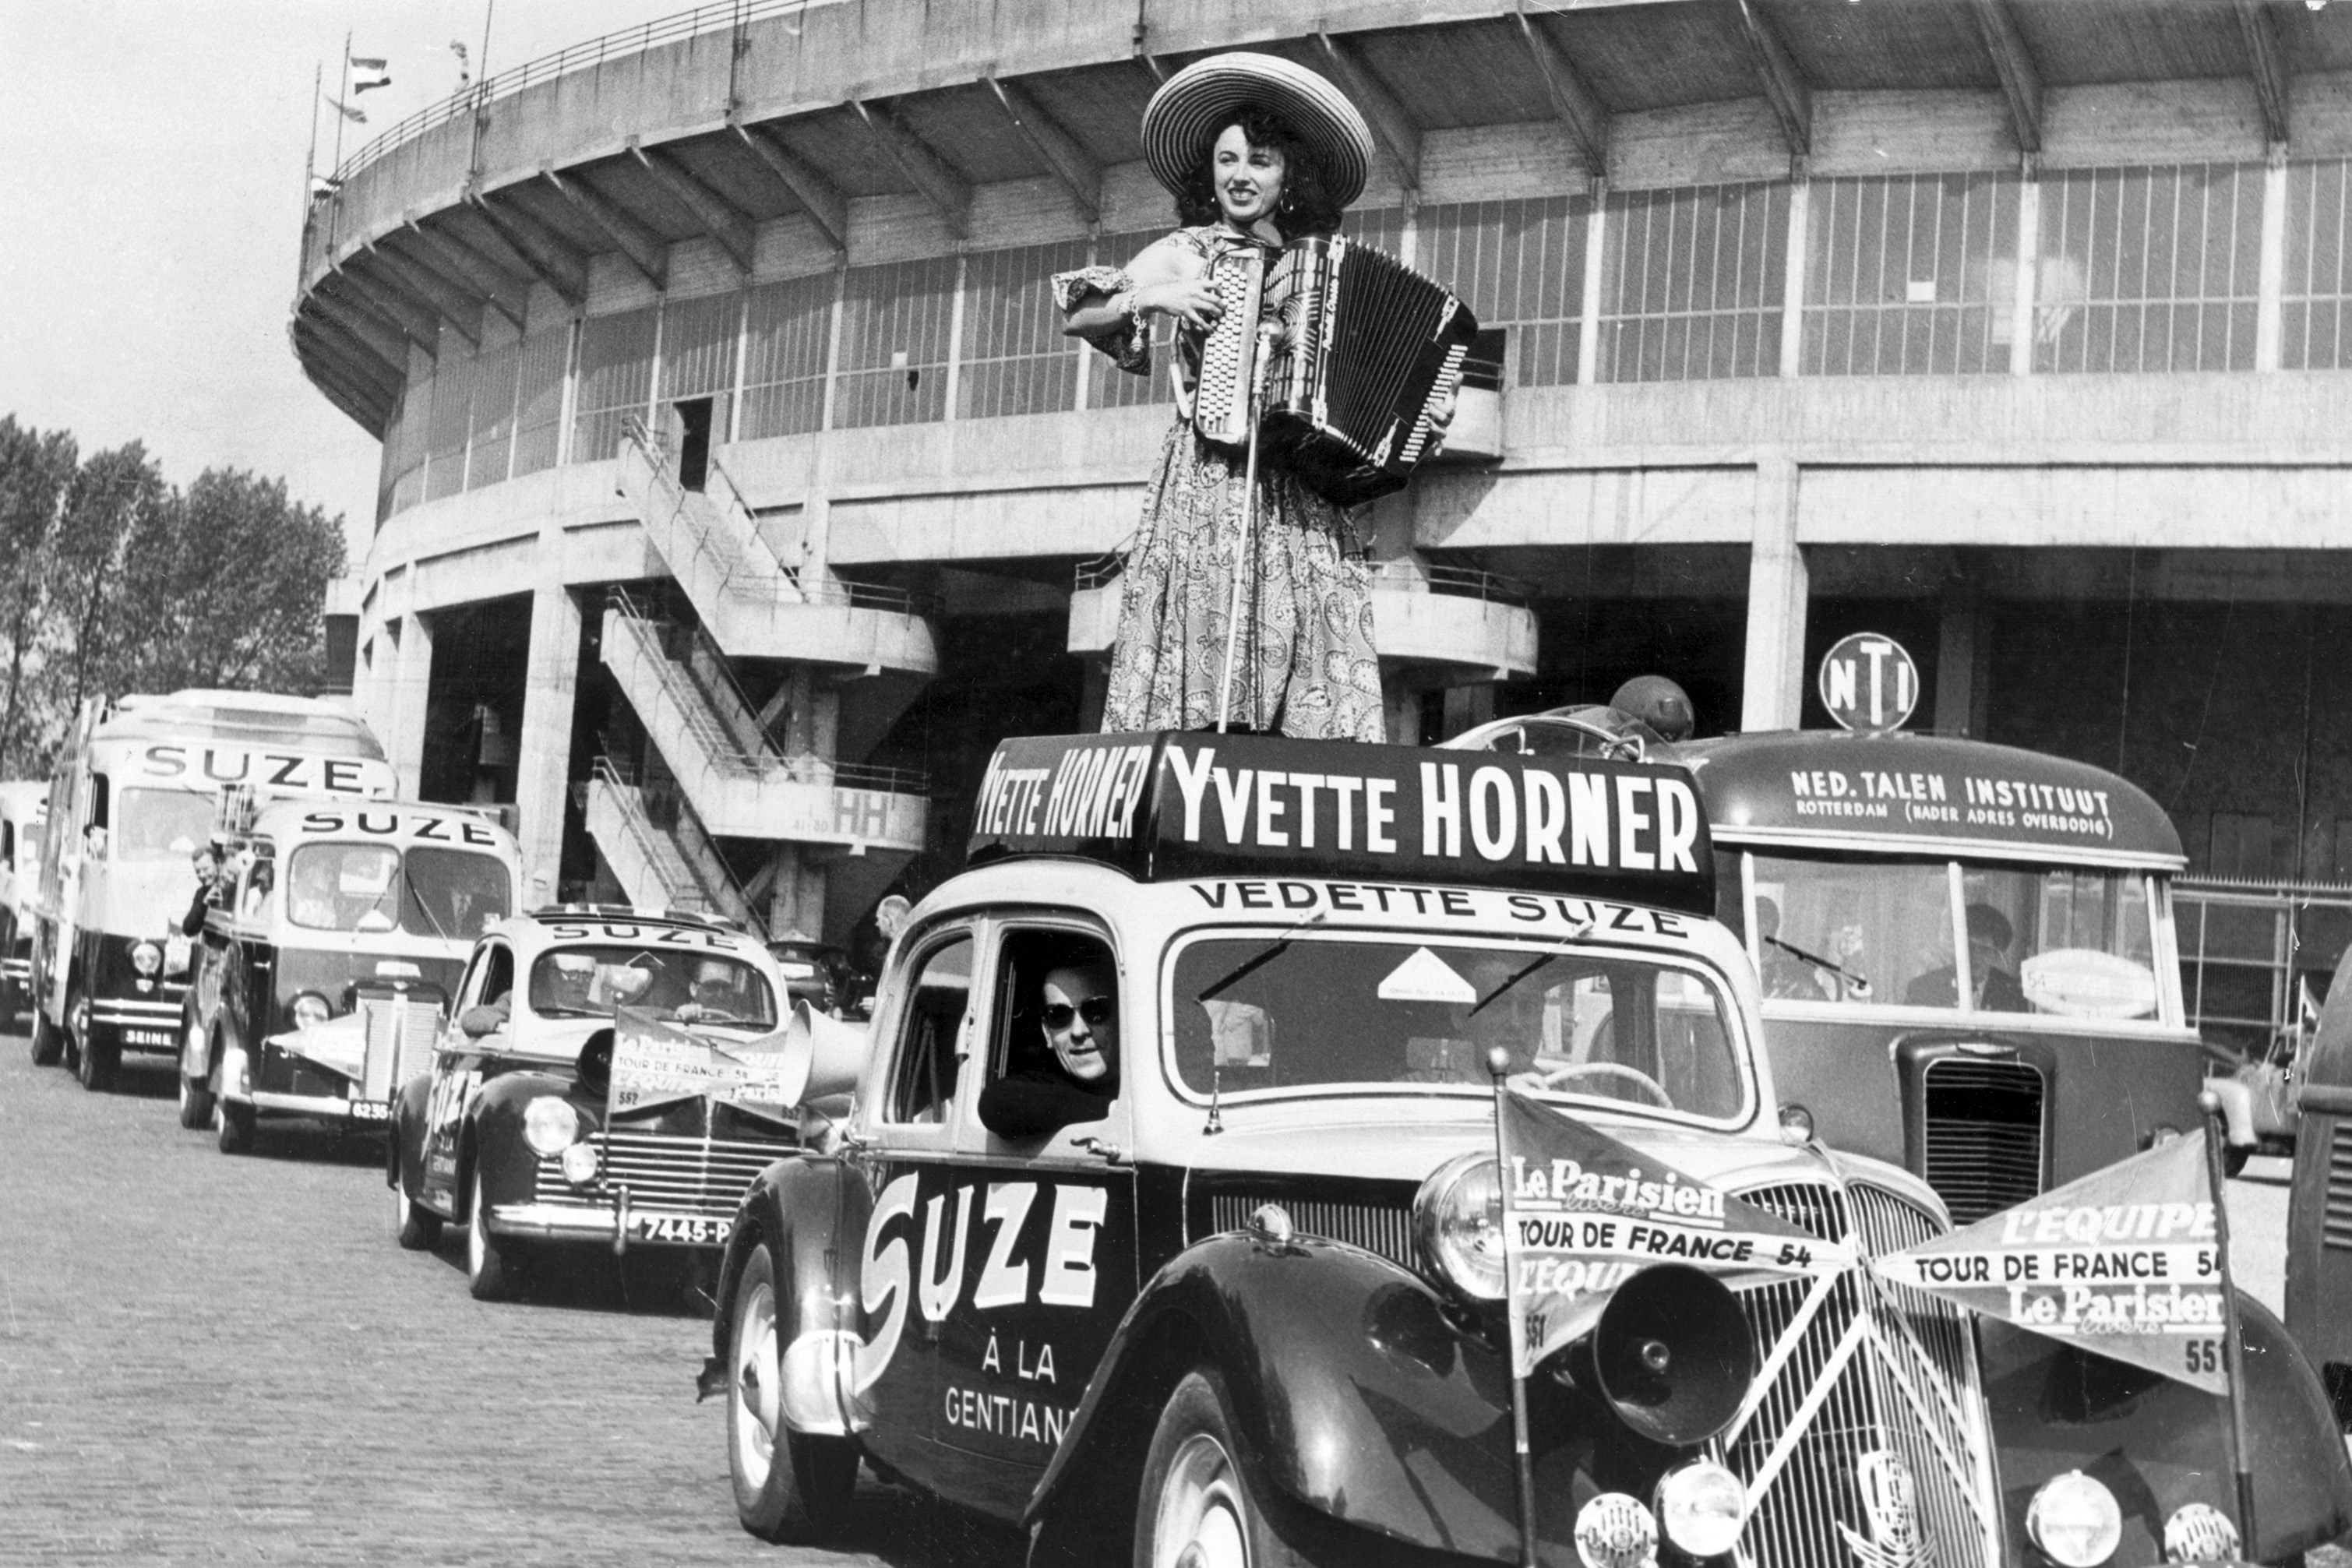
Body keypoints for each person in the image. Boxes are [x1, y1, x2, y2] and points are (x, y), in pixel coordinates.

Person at [1054, 53, 1388, 742]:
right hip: (1215, 474)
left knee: (1314, 623)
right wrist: (1156, 296)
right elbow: (1082, 312)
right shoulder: (1190, 248)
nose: (1239, 175)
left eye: (1259, 161)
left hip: (1295, 482)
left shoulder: (1312, 261)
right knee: (1215, 622)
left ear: (1287, 173)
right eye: (1227, 159)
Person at [979, 959, 1119, 1139]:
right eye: (1059, 1015)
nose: (1078, 1031)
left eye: (1096, 1010)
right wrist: (1114, 1110)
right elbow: (996, 1102)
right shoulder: (1043, 1086)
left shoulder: (1158, 1083)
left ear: (1121, 1017)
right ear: (1047, 1032)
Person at [1906, 904, 2028, 1012]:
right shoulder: (1923, 988)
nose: (1974, 955)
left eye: (1984, 949)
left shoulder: (2012, 993)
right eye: (1969, 946)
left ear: (1995, 954)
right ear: (1957, 945)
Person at [178, 844, 226, 938]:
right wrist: (204, 904)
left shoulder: (229, 887)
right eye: (198, 872)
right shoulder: (202, 893)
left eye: (205, 869)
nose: (202, 875)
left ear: (218, 864)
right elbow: (188, 929)